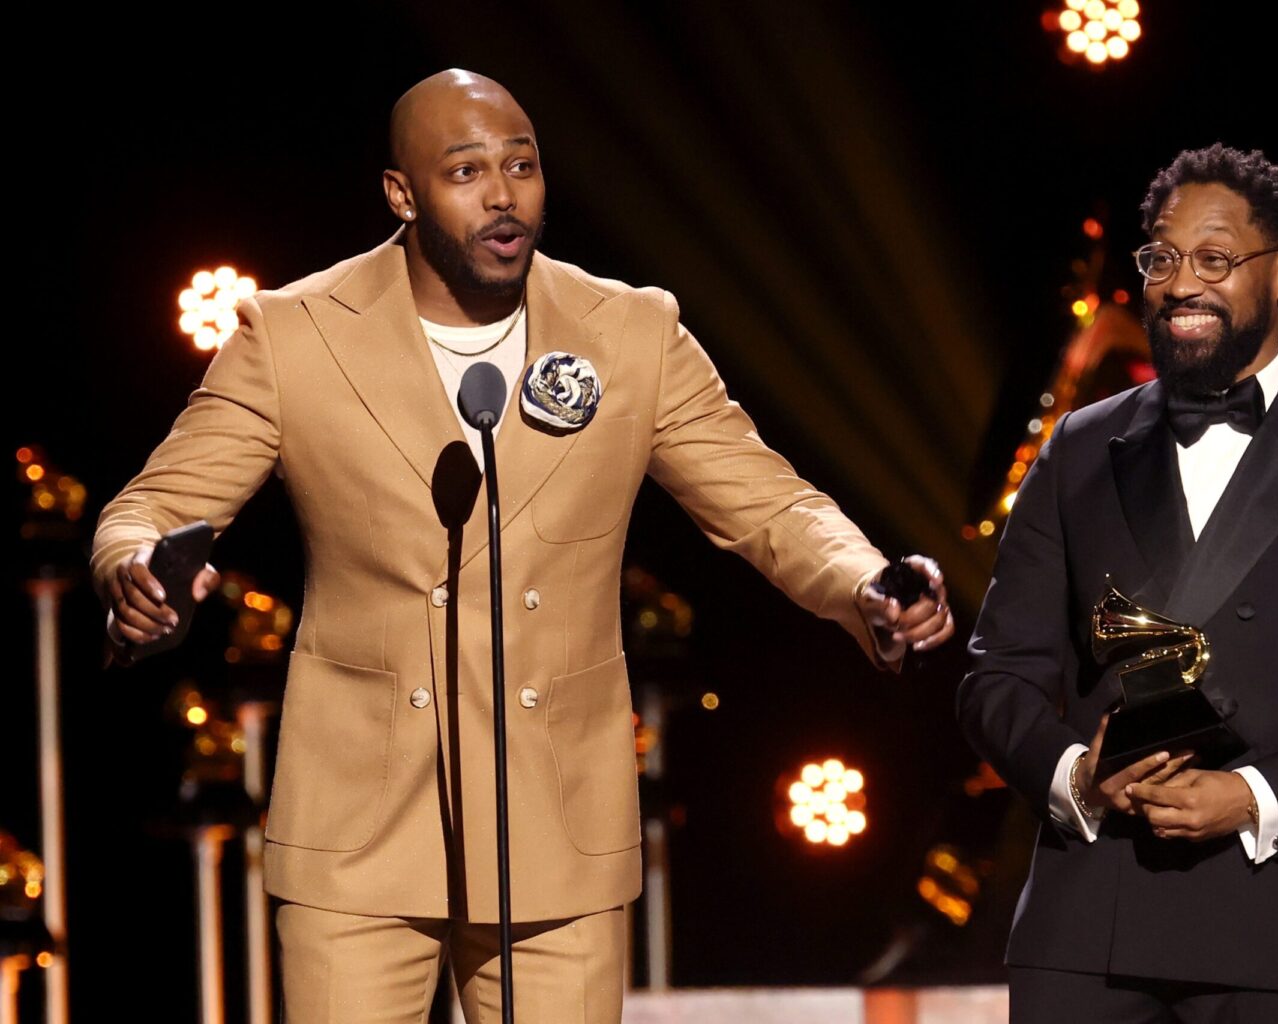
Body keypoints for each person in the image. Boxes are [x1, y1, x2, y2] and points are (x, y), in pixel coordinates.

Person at [94, 69, 954, 1023]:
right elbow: (151, 507)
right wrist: (137, 572)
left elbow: (766, 500)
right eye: (466, 171)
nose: (503, 195)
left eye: (522, 166)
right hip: (358, 832)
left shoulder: (631, 333)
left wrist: (864, 580)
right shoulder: (293, 336)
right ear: (401, 194)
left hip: (557, 826)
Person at [957, 143, 1278, 1023]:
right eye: (1161, 257)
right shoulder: (1078, 446)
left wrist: (1253, 797)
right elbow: (996, 676)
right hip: (1090, 930)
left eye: (1215, 258)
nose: (1180, 283)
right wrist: (1077, 777)